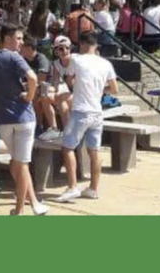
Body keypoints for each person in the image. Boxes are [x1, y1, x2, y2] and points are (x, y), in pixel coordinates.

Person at [0, 24, 48, 216]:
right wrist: (30, 97)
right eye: (19, 38)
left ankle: (33, 204)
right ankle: (21, 209)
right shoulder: (14, 57)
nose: (22, 42)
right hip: (23, 117)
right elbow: (32, 77)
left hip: (2, 119)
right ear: (7, 38)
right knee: (21, 164)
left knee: (18, 164)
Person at [54, 32, 118, 203]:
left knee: (67, 148)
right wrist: (99, 90)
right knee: (94, 151)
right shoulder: (106, 64)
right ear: (96, 45)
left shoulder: (77, 60)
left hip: (81, 111)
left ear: (81, 44)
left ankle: (72, 186)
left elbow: (68, 80)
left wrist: (76, 84)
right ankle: (93, 188)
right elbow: (114, 89)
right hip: (97, 112)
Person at [20, 35, 58, 140]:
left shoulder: (41, 59)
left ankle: (40, 125)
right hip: (32, 87)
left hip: (48, 87)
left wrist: (26, 86)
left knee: (36, 93)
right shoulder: (23, 60)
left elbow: (41, 80)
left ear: (29, 47)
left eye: (22, 46)